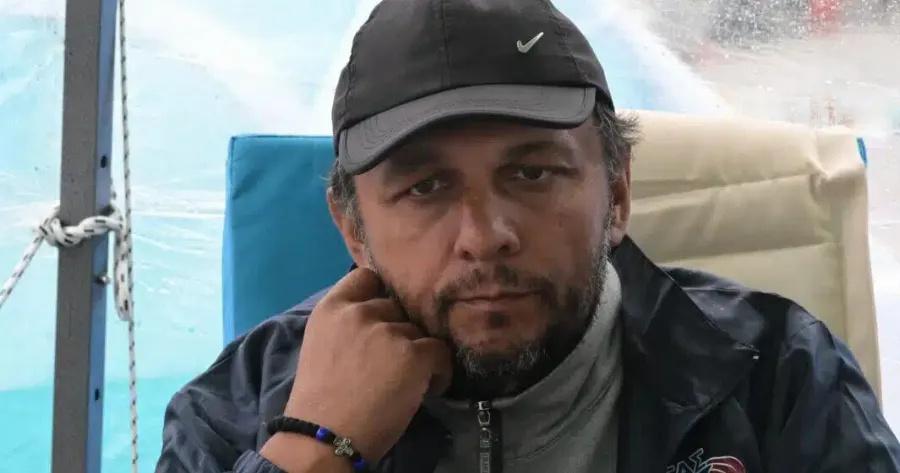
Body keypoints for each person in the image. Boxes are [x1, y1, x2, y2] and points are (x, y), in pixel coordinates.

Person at [155, 0, 900, 472]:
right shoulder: (238, 408)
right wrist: (315, 449)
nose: (485, 237)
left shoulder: (778, 375)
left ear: (617, 194)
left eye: (533, 174)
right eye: (426, 187)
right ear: (353, 227)